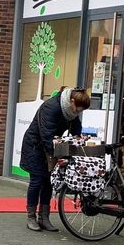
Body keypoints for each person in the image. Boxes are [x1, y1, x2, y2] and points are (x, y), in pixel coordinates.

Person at [20, 87, 90, 232]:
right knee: (37, 181)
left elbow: (76, 128)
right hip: (35, 146)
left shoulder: (70, 111)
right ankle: (31, 217)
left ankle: (44, 218)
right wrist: (55, 154)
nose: (78, 112)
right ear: (71, 101)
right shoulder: (51, 107)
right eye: (78, 109)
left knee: (48, 182)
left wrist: (78, 140)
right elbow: (46, 134)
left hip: (50, 146)